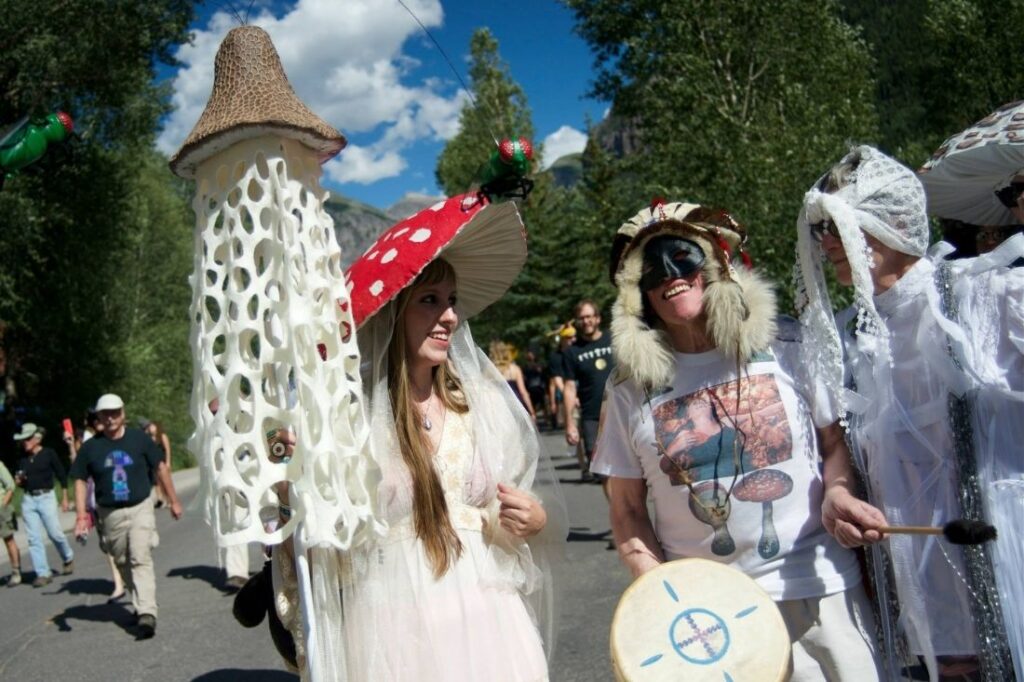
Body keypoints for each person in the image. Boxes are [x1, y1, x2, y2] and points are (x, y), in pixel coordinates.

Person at [267, 195, 566, 680]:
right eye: (430, 300)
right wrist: (295, 481)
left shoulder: (482, 406)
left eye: (451, 301)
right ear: (392, 313)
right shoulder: (349, 420)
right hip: (393, 629)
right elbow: (319, 538)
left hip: (489, 621)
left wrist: (529, 517)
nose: (449, 316)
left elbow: (504, 510)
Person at [594, 200, 884, 681]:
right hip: (708, 618)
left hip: (817, 586)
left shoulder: (789, 346)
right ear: (637, 293)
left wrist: (837, 492)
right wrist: (657, 591)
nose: (670, 276)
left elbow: (833, 444)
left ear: (715, 264)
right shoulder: (628, 390)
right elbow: (625, 508)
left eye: (682, 258)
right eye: (650, 270)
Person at [794, 146, 1024, 680]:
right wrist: (838, 494)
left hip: (1004, 563)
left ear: (893, 223)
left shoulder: (983, 298)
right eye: (820, 229)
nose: (827, 242)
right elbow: (837, 451)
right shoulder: (845, 339)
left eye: (839, 225)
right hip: (914, 583)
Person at [71, 394, 184, 639]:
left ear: (123, 414)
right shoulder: (92, 448)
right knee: (122, 560)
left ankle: (146, 612)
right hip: (109, 513)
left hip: (140, 506)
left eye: (115, 412)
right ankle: (140, 599)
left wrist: (173, 500)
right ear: (98, 417)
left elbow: (160, 467)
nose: (110, 418)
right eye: (105, 414)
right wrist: (81, 516)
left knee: (140, 556)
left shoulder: (139, 439)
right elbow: (79, 479)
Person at [64, 409, 125, 601]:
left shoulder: (115, 438)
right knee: (106, 542)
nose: (101, 422)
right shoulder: (87, 442)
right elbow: (78, 468)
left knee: (122, 540)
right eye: (96, 420)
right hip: (95, 499)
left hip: (117, 494)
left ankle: (128, 574)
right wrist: (71, 446)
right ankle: (118, 582)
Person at [13, 423, 74, 587]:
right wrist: (19, 481)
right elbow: (21, 482)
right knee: (33, 538)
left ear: (35, 439)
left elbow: (62, 474)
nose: (24, 443)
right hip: (29, 500)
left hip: (46, 497)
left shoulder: (48, 454)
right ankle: (43, 573)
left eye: (27, 439)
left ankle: (67, 556)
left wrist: (65, 498)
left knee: (55, 533)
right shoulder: (23, 459)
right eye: (22, 440)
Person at [563, 300, 614, 482]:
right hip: (592, 416)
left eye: (589, 317)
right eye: (581, 318)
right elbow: (569, 388)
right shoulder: (572, 352)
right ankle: (617, 509)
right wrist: (569, 424)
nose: (586, 321)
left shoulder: (614, 339)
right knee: (604, 474)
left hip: (621, 412)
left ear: (598, 318)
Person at [489, 340, 537, 421]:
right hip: (515, 403)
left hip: (498, 406)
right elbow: (523, 392)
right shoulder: (515, 369)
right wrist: (531, 411)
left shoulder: (489, 371)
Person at [545, 323, 575, 430]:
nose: (573, 339)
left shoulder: (579, 351)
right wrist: (571, 397)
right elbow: (555, 381)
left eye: (574, 336)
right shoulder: (555, 357)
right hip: (567, 394)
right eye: (569, 337)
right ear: (562, 339)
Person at [0, 458, 21, 585]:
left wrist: (3, 505)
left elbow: (11, 486)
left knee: (8, 540)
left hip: (2, 509)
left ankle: (16, 571)